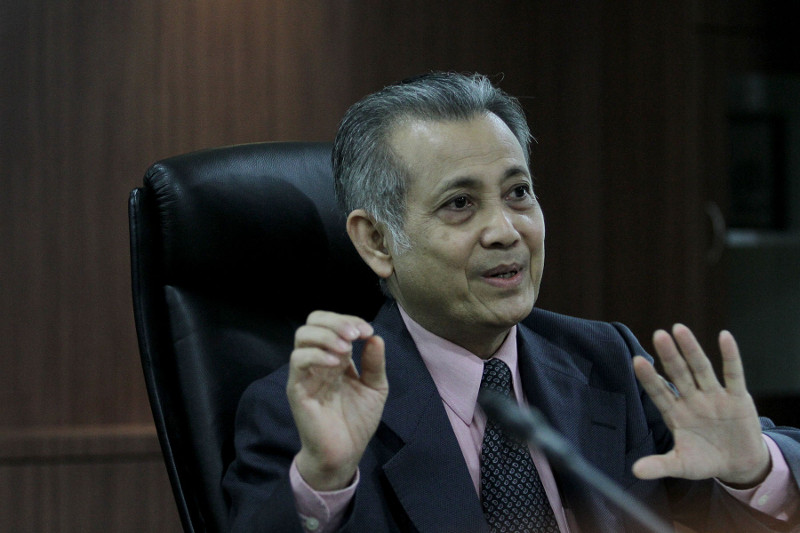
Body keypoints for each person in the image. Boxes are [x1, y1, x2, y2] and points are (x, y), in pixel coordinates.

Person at [223, 72, 800, 532]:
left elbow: (749, 496)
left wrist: (753, 468)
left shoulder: (604, 361)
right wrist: (324, 481)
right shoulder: (303, 413)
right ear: (376, 241)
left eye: (518, 193)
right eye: (459, 204)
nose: (506, 230)